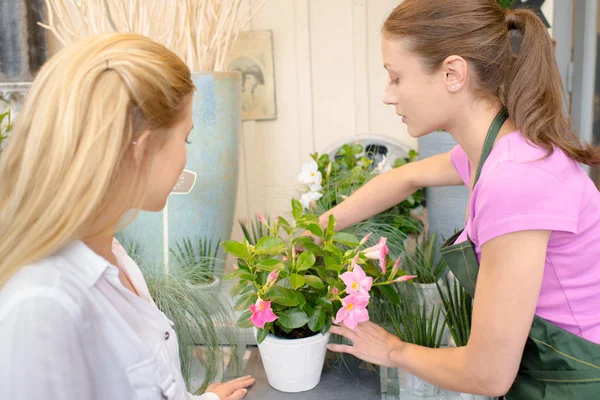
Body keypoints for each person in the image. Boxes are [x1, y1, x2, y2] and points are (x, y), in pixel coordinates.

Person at [322, 1, 600, 398]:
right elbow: (406, 176)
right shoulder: (497, 149)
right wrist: (317, 230)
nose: (388, 95)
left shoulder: (516, 181)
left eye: (396, 77)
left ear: (452, 73)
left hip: (577, 379)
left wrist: (393, 350)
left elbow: (487, 374)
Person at [0, 33, 254, 400]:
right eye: (186, 140)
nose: (186, 157)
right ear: (145, 147)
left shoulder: (113, 256)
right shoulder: (42, 306)